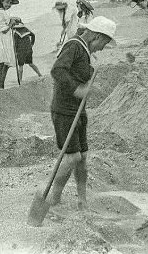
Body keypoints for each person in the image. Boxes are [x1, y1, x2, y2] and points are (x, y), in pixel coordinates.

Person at [48, 16, 116, 209]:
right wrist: (77, 90)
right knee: (72, 157)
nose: (103, 47)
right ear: (95, 35)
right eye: (104, 42)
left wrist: (86, 83)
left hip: (79, 110)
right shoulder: (74, 46)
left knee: (83, 156)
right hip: (64, 110)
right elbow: (58, 70)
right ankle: (54, 199)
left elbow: (77, 74)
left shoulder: (84, 50)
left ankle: (82, 199)